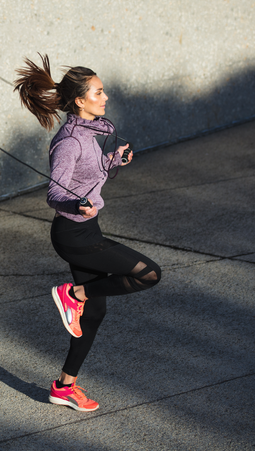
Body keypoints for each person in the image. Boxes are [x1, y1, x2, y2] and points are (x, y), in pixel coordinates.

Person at [14, 55, 161, 412]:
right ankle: (73, 293)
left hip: (86, 228)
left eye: (103, 90)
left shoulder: (96, 131)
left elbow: (91, 173)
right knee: (149, 273)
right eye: (98, 92)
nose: (105, 96)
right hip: (74, 235)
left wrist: (114, 161)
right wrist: (76, 204)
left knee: (94, 316)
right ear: (80, 100)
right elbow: (55, 193)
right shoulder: (68, 142)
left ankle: (64, 387)